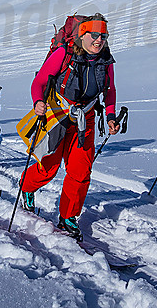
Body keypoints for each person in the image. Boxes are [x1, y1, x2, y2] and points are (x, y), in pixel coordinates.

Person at [21, 14, 120, 241]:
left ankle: (68, 217)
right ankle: (26, 186)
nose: (99, 40)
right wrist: (38, 102)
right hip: (57, 114)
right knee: (48, 167)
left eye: (103, 36)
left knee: (80, 171)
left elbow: (110, 90)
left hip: (86, 118)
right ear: (82, 34)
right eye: (94, 35)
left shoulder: (105, 60)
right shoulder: (64, 54)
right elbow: (40, 82)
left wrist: (111, 116)